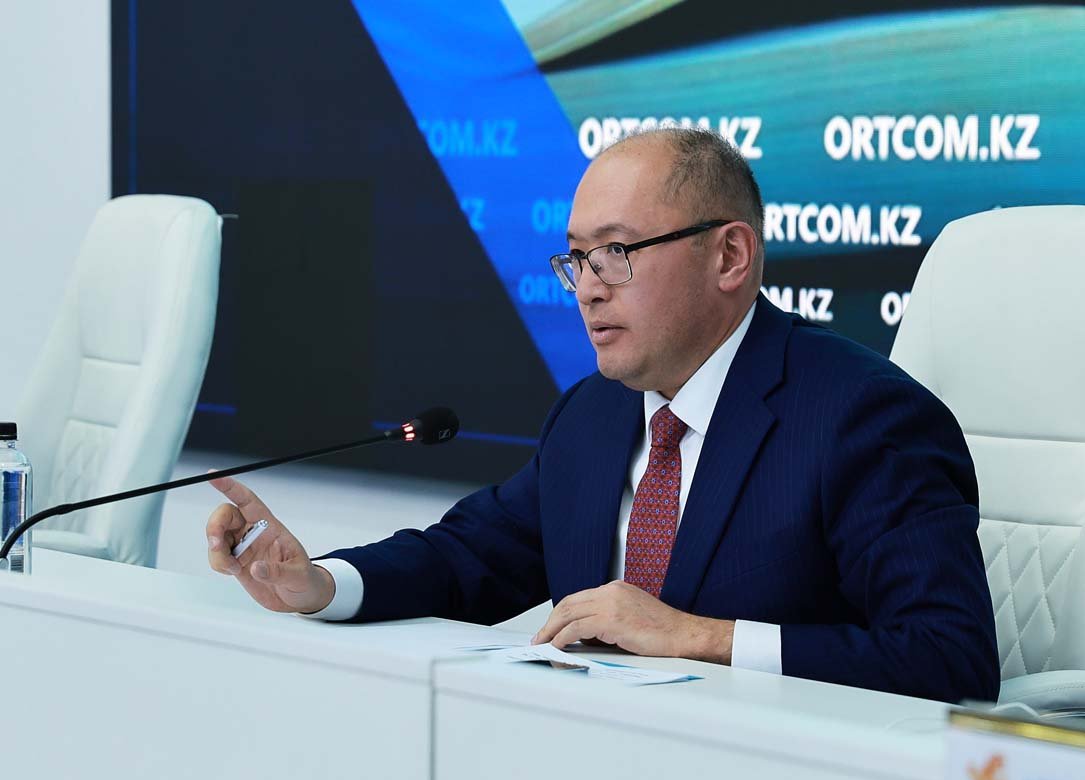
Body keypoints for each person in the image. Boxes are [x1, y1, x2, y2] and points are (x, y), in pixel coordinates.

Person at [205, 128, 1000, 703]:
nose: (587, 287)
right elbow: (468, 557)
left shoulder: (861, 418)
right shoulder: (593, 414)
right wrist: (320, 582)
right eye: (577, 258)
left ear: (729, 256)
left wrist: (701, 637)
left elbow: (949, 658)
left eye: (617, 253)